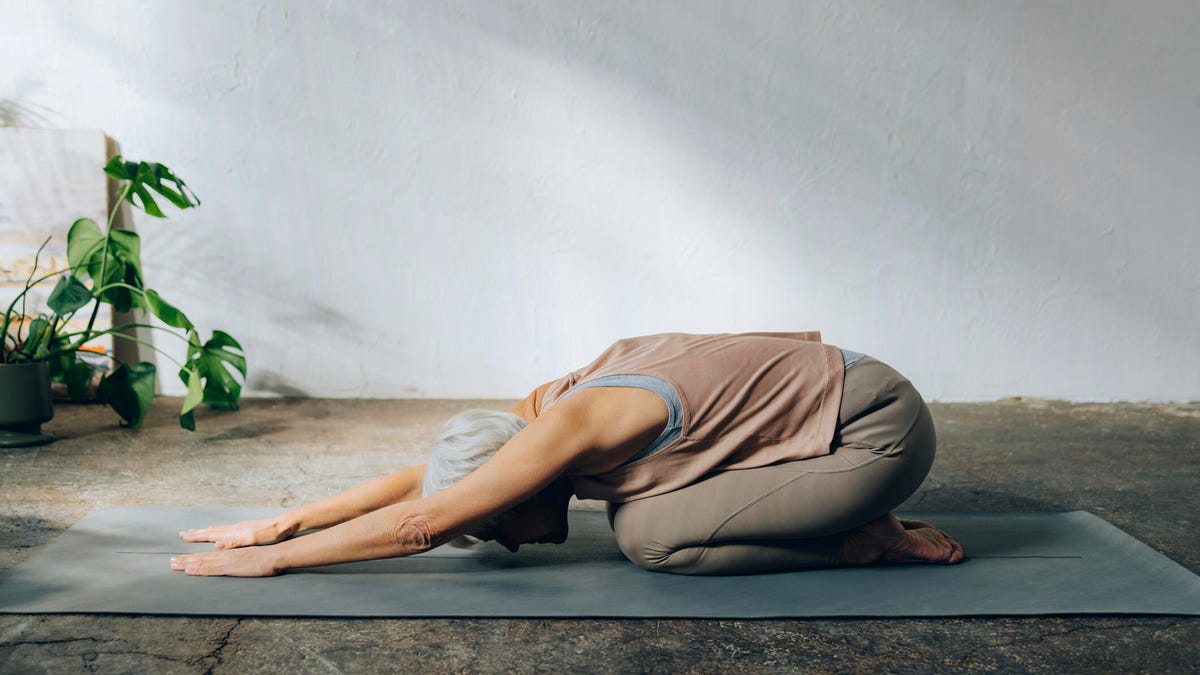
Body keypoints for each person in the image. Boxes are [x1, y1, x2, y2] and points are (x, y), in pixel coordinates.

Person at [170, 332, 964, 577]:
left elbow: (425, 520)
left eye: (494, 524)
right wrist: (283, 522)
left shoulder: (571, 425)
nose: (504, 539)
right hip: (839, 403)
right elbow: (427, 479)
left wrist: (274, 565)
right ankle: (841, 509)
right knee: (640, 507)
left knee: (648, 535)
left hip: (874, 433)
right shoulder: (535, 414)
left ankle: (863, 538)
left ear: (523, 481)